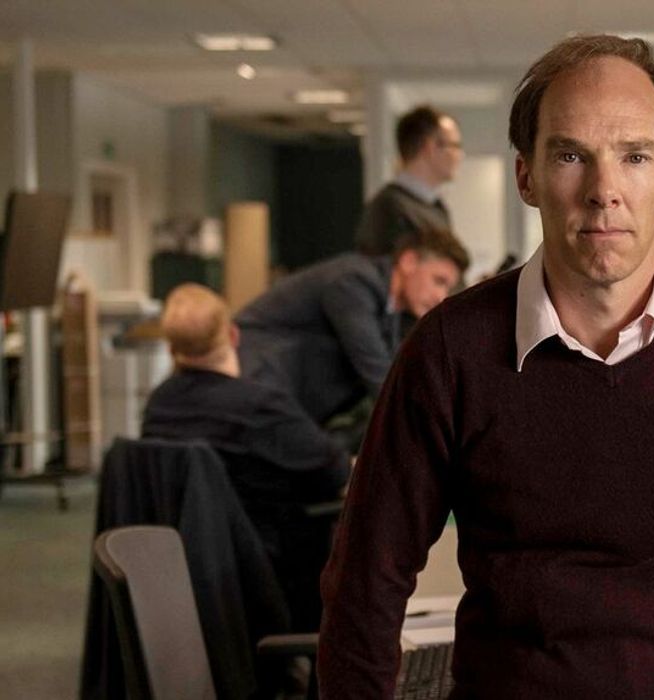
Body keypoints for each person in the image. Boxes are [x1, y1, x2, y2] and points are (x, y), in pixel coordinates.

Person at [318, 34, 654, 699]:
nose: (604, 190)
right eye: (570, 155)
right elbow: (365, 583)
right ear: (526, 176)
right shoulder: (448, 349)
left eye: (634, 156)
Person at [142, 283, 350, 630]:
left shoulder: (158, 406)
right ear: (232, 335)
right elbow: (336, 472)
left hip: (181, 571)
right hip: (265, 574)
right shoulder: (260, 407)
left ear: (171, 347)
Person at [236, 232, 469, 430]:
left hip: (281, 395)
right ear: (409, 261)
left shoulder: (390, 308)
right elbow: (377, 371)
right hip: (256, 383)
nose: (441, 297)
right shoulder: (354, 281)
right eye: (438, 281)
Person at [356, 105, 464, 256]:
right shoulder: (389, 209)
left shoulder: (436, 207)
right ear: (430, 148)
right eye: (455, 146)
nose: (460, 155)